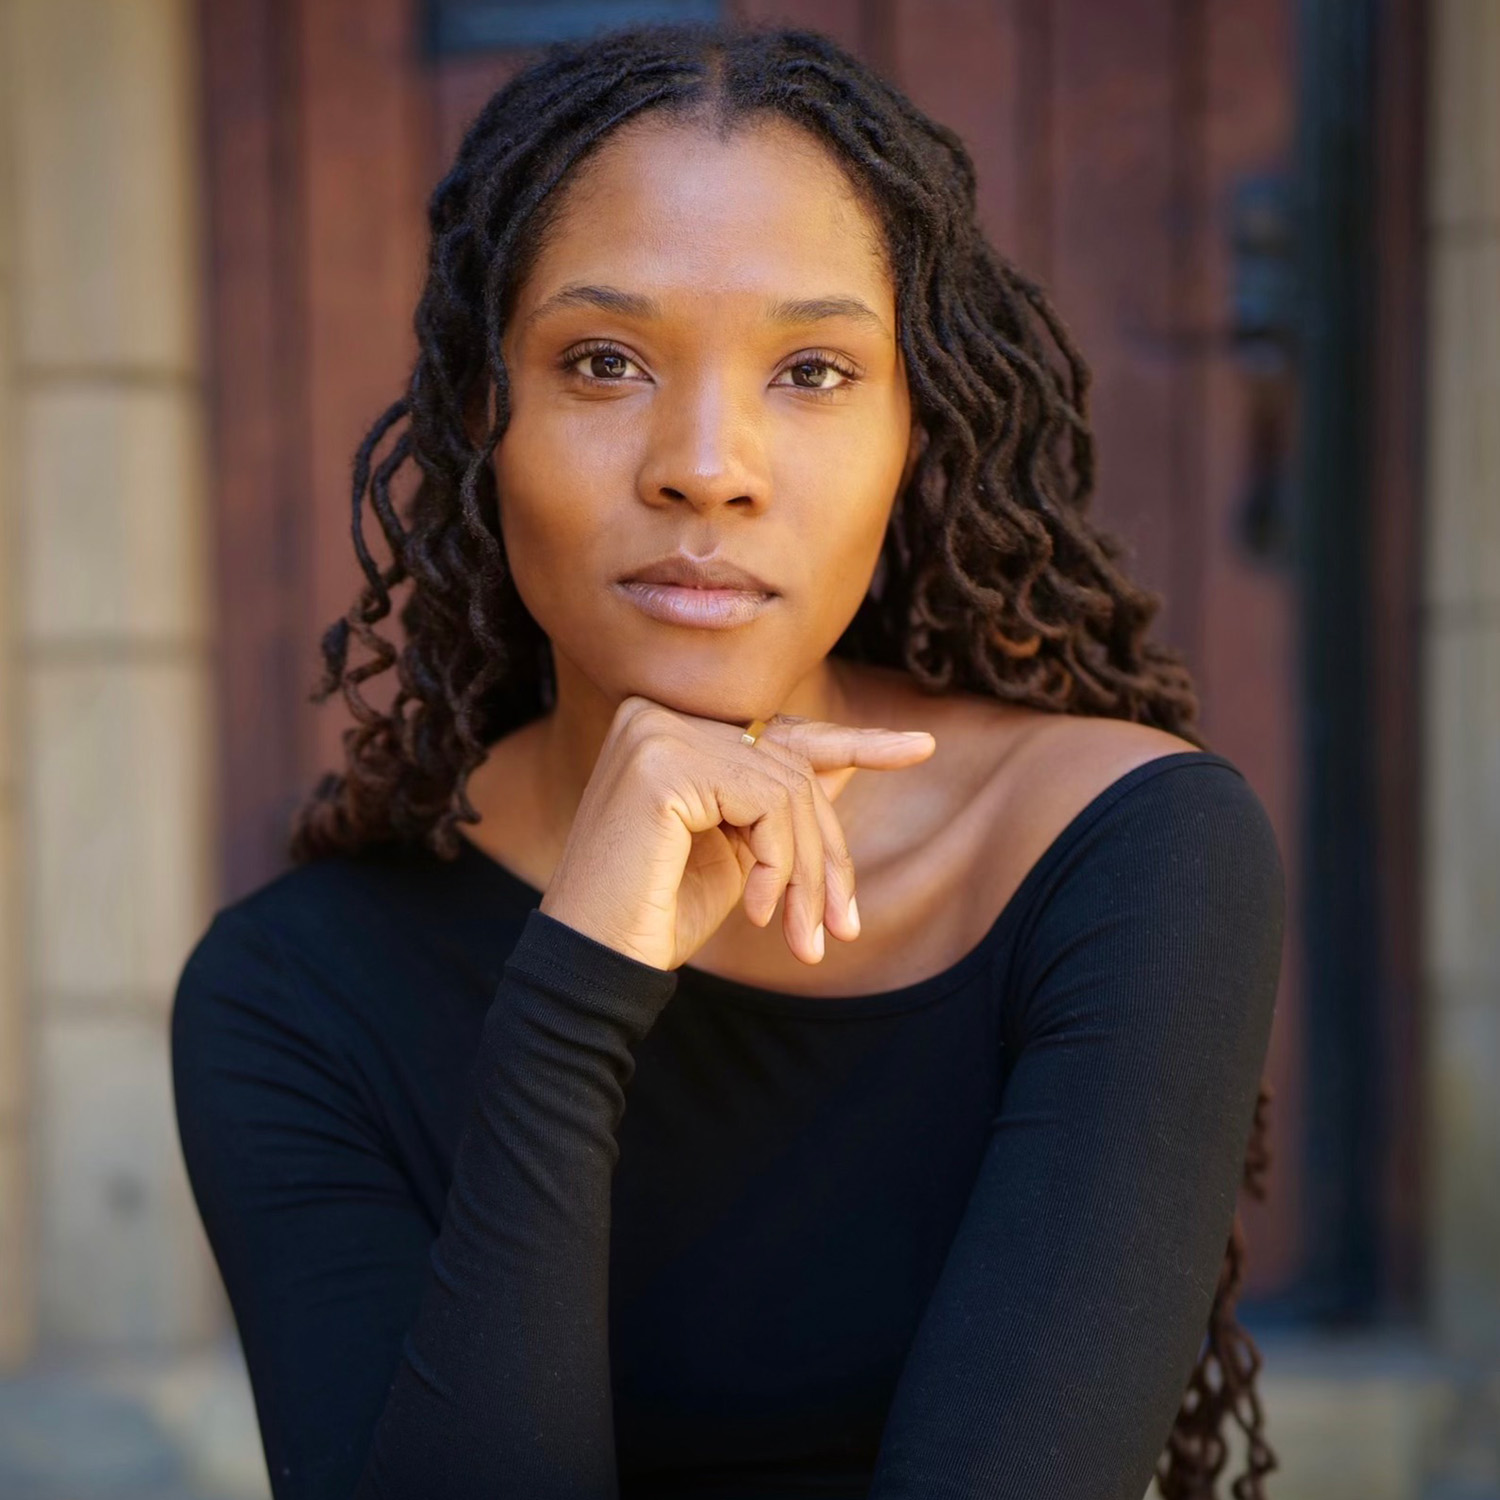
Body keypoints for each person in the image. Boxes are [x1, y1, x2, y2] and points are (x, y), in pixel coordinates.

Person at [171, 19, 1284, 1500]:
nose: (706, 462)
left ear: (916, 433)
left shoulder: (1127, 856)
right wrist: (577, 987)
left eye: (813, 369)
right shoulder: (293, 996)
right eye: (605, 360)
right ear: (482, 418)